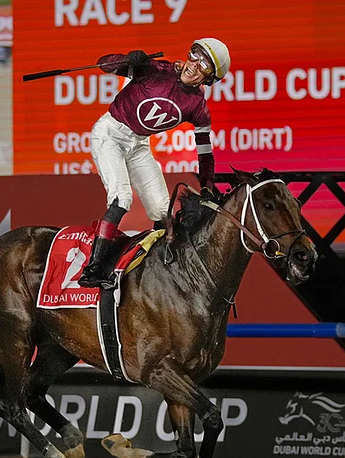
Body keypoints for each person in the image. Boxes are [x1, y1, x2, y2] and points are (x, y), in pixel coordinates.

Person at [79, 38, 232, 288]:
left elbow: (205, 153)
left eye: (204, 64)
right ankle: (93, 269)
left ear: (209, 79)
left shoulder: (198, 107)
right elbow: (103, 64)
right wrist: (128, 58)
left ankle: (154, 265)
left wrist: (207, 185)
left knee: (163, 211)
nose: (194, 64)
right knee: (122, 198)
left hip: (138, 145)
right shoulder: (156, 70)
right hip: (109, 134)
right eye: (195, 54)